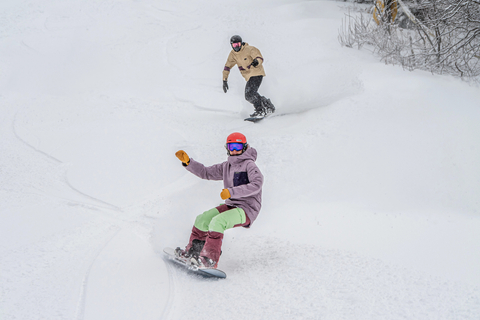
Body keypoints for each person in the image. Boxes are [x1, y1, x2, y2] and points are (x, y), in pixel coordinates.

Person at [174, 132, 264, 268]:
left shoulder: (249, 165)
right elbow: (206, 172)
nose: (234, 150)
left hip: (247, 209)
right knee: (202, 220)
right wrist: (188, 163)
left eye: (237, 146)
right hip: (232, 205)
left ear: (245, 147)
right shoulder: (226, 166)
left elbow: (257, 183)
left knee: (218, 222)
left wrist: (231, 191)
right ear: (227, 148)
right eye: (231, 146)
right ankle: (193, 252)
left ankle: (209, 260)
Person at [222, 35, 275, 119]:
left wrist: (256, 62)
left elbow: (259, 57)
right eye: (234, 45)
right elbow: (227, 67)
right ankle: (267, 105)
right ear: (231, 45)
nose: (236, 47)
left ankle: (261, 110)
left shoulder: (249, 49)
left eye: (238, 44)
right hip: (249, 76)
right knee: (249, 95)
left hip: (257, 73)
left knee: (249, 94)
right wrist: (224, 80)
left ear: (241, 43)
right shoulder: (233, 54)